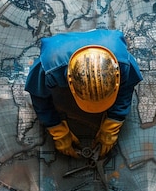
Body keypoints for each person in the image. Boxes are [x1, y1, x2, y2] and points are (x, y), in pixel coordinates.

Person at [25, 29, 143, 159]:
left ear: (117, 77)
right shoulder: (49, 68)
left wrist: (113, 125)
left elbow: (126, 88)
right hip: (58, 49)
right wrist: (57, 131)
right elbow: (38, 96)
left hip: (110, 43)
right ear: (70, 82)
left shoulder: (122, 63)